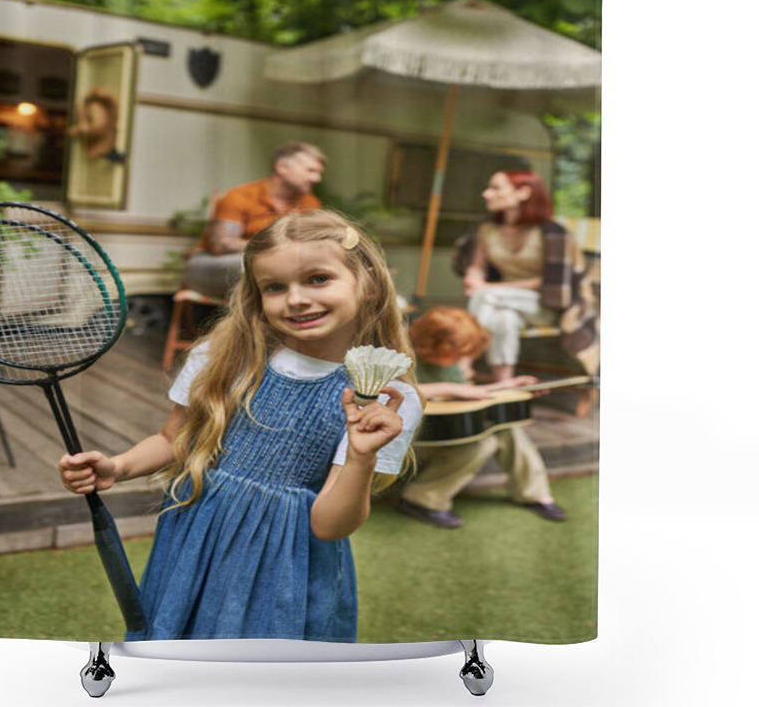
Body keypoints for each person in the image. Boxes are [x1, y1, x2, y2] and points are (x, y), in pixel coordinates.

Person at [58, 210, 423, 642]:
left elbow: (330, 526)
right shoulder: (224, 356)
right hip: (199, 538)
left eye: (318, 279)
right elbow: (172, 439)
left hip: (287, 563)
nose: (297, 299)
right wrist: (117, 467)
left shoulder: (386, 398)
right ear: (256, 295)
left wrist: (362, 456)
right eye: (275, 287)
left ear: (367, 281)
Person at [396, 307, 567, 530]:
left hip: (444, 431)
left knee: (507, 428)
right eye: (457, 353)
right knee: (484, 443)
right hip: (411, 439)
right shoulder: (399, 353)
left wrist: (507, 386)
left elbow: (466, 394)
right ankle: (421, 499)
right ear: (433, 344)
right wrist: (448, 388)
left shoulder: (447, 364)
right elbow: (390, 389)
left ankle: (535, 494)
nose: (462, 359)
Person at [461, 170, 596, 383]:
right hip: (504, 300)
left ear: (523, 192)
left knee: (486, 296)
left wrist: (485, 287)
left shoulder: (553, 233)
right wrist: (473, 278)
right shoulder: (487, 229)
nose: (486, 193)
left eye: (496, 188)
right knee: (504, 319)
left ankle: (463, 365)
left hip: (545, 305)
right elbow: (476, 267)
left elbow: (552, 281)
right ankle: (503, 384)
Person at [182, 142, 326, 298]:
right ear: (282, 167)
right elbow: (220, 245)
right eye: (311, 171)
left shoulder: (310, 203)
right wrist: (278, 247)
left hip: (275, 263)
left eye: (318, 173)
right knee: (257, 265)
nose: (317, 178)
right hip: (211, 263)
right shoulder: (238, 196)